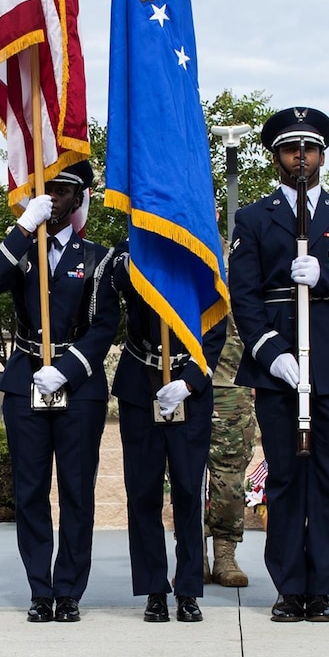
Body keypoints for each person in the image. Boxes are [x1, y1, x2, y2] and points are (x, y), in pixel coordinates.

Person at [229, 107, 329, 622]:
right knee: (283, 479)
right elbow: (244, 296)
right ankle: (288, 587)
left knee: (328, 477)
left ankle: (321, 586)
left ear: (322, 155)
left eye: (310, 149)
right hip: (281, 365)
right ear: (275, 157)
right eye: (290, 150)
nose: (301, 158)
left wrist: (325, 276)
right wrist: (271, 355)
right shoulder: (254, 219)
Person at [0, 162, 120, 623]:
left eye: (63, 191)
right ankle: (40, 589)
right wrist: (24, 227)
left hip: (77, 385)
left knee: (76, 490)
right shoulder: (23, 248)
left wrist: (66, 369)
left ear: (79, 198)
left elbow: (104, 326)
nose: (54, 199)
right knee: (30, 491)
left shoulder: (98, 257)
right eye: (47, 190)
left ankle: (69, 591)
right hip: (25, 380)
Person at [109, 239, 227, 622]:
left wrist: (191, 380)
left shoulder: (198, 248)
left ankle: (189, 588)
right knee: (142, 492)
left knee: (189, 490)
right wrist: (137, 256)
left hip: (187, 386)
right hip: (140, 379)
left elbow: (215, 321)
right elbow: (117, 282)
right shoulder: (132, 247)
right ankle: (154, 589)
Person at [204, 328, 254, 588]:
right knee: (184, 475)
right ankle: (193, 553)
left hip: (231, 385)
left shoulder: (241, 284)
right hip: (181, 377)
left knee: (229, 477)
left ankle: (225, 556)